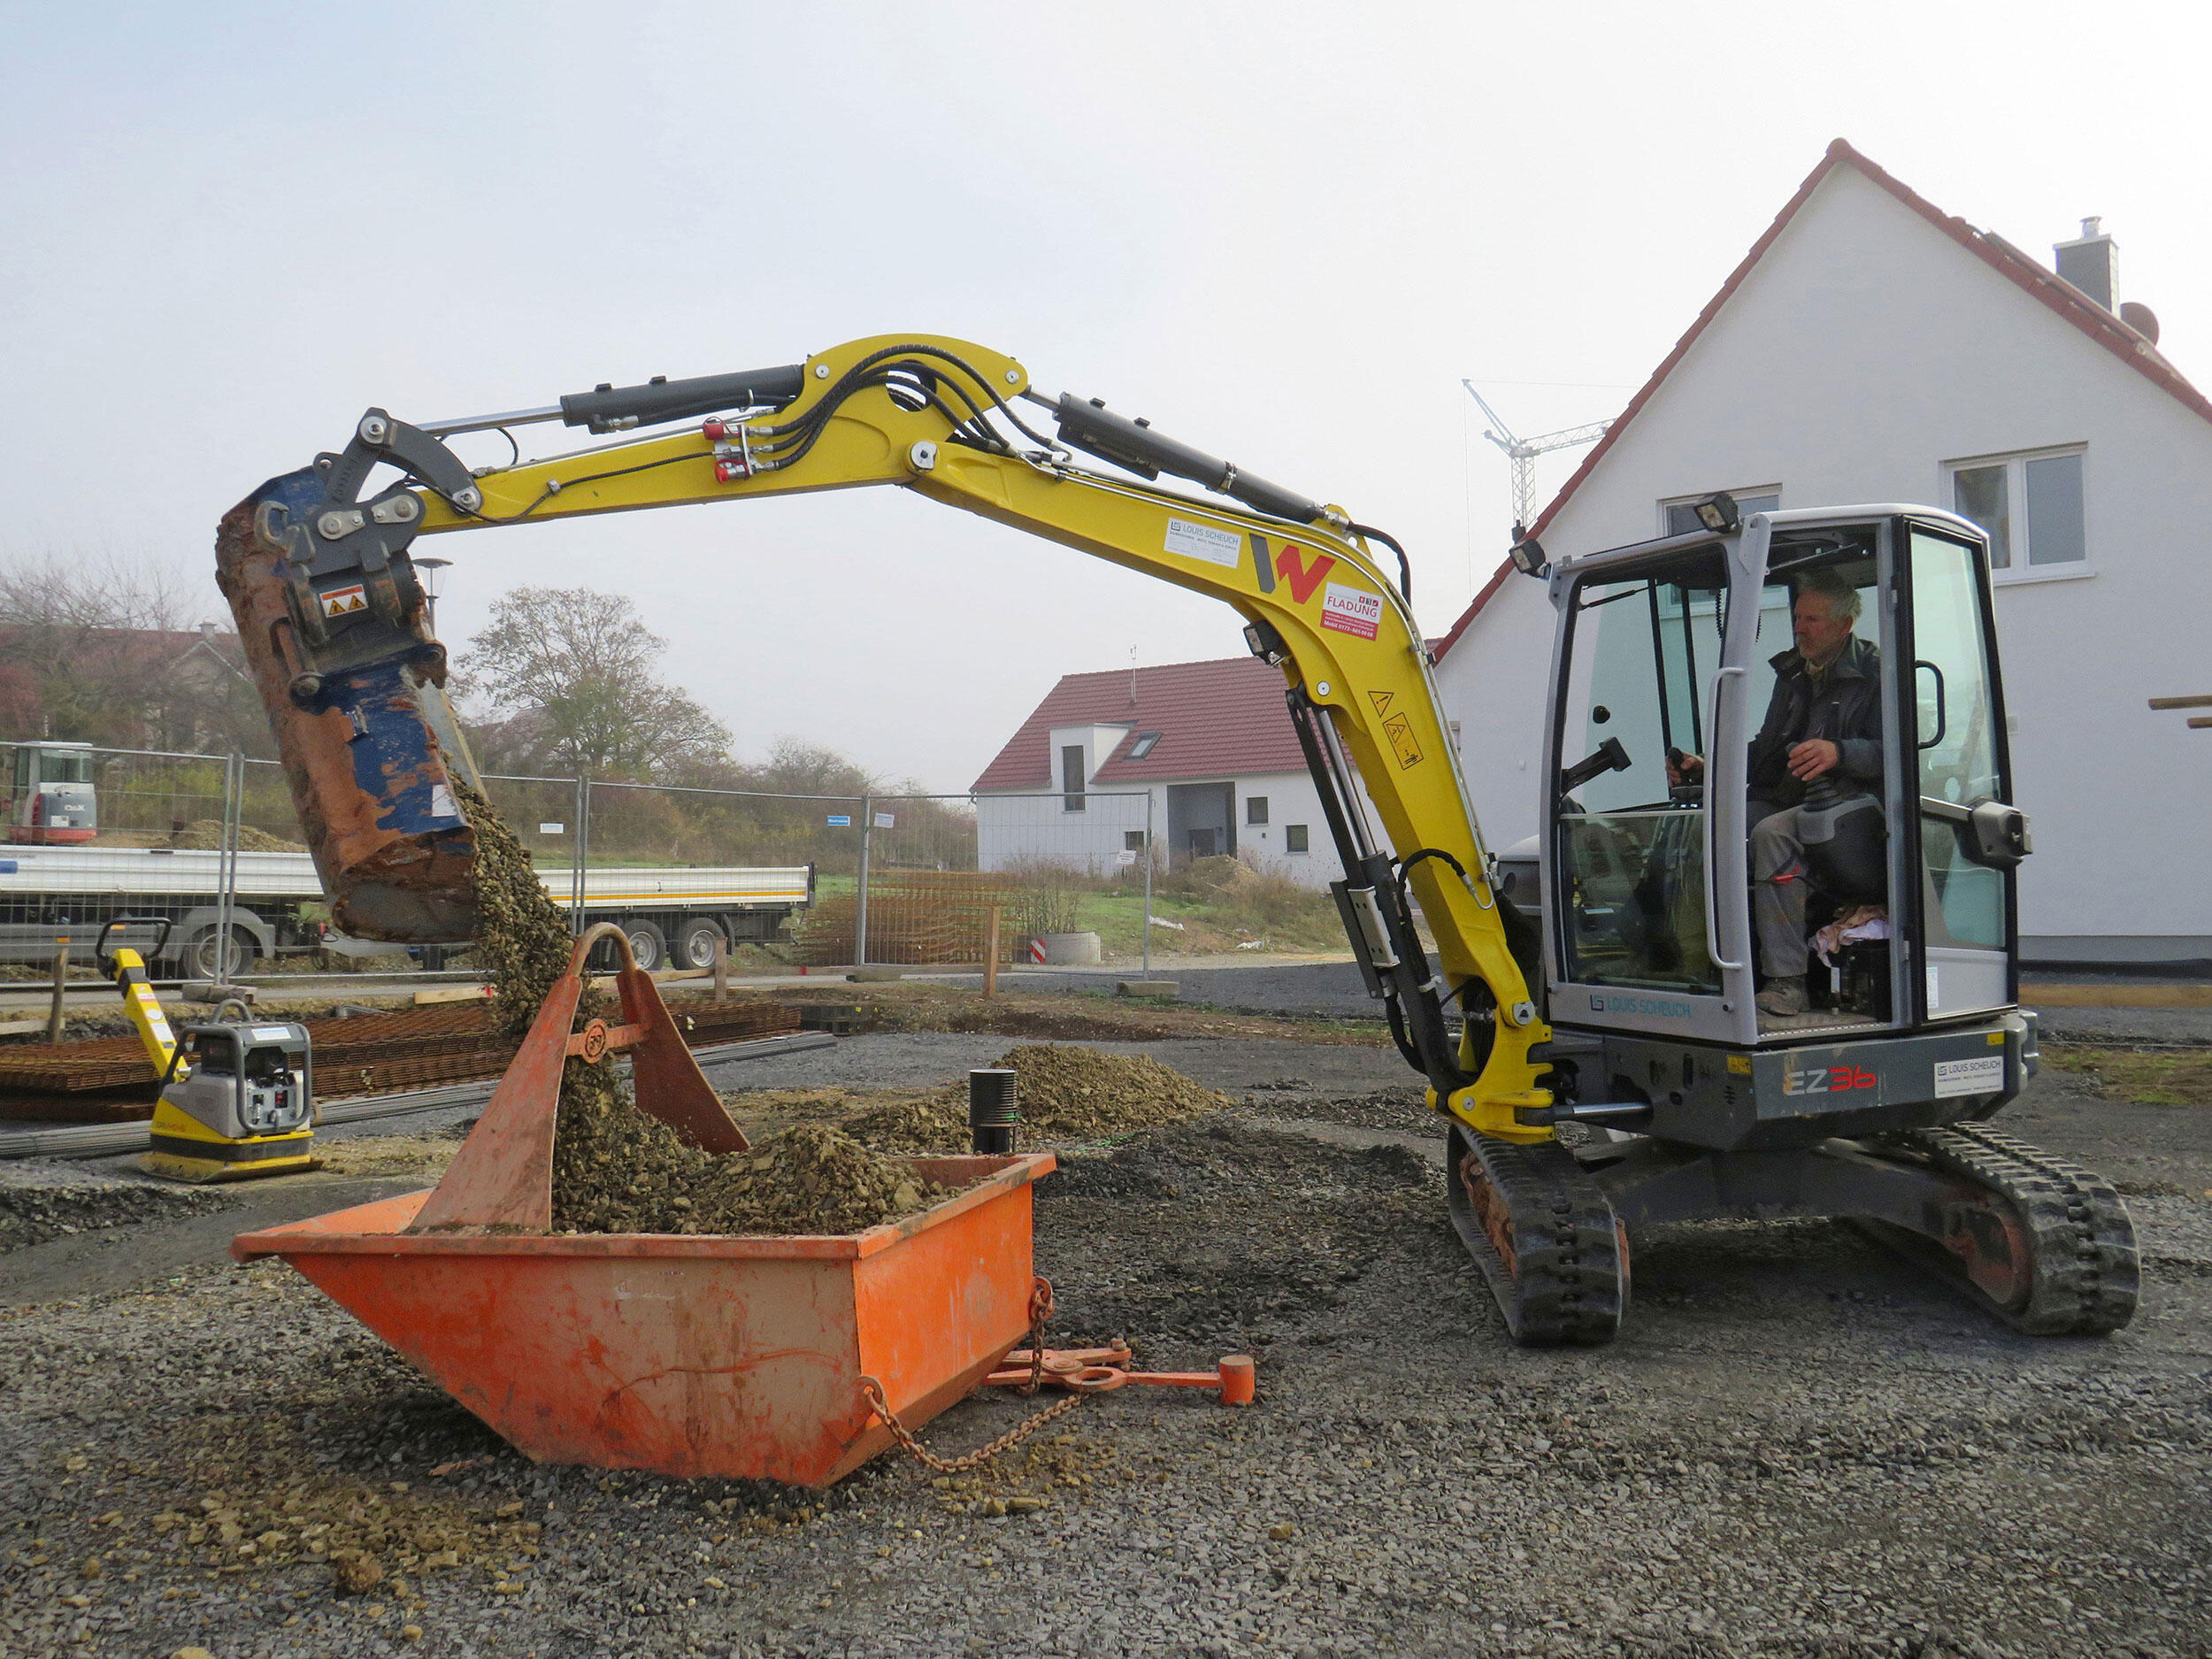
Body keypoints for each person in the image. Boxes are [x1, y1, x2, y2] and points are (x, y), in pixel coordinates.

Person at [1666, 570, 1883, 1018]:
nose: (1800, 628)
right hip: (1794, 798)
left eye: (1812, 620)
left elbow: (1898, 751)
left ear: (1845, 625)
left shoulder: (1878, 672)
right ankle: (1694, 961)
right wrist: (1711, 767)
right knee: (1703, 828)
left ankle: (1787, 982)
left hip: (1854, 807)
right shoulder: (1794, 674)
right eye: (1798, 617)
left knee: (1770, 834)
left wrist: (1839, 752)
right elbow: (1768, 748)